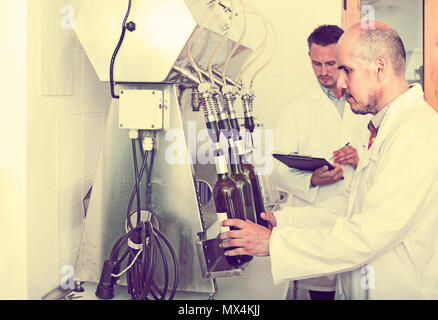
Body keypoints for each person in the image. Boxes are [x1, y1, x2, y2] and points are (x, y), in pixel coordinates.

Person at [219, 20, 438, 299]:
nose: (340, 82)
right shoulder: (388, 127)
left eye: (346, 69)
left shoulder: (415, 135)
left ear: (380, 68)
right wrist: (283, 223)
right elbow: (352, 213)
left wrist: (274, 243)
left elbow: (368, 233)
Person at [269, 25, 371, 300]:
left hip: (361, 223)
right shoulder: (296, 110)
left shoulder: (365, 104)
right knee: (320, 293)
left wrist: (360, 158)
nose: (324, 71)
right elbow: (276, 168)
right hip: (314, 223)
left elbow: (385, 158)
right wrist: (312, 179)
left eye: (331, 63)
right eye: (316, 63)